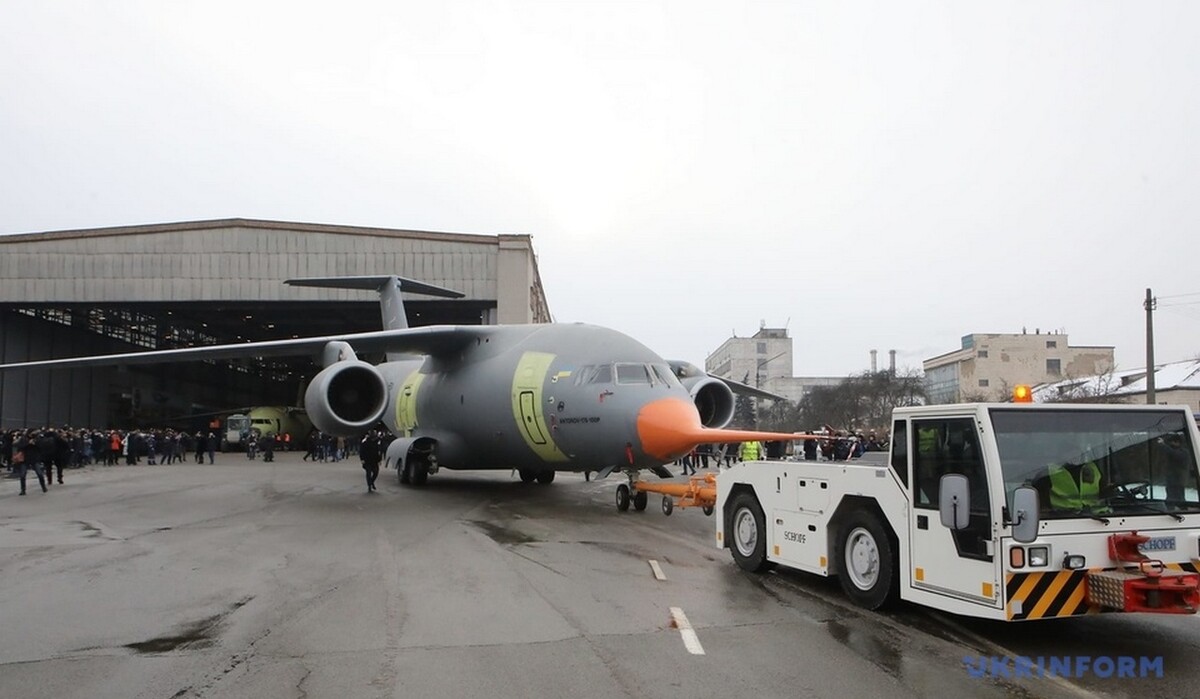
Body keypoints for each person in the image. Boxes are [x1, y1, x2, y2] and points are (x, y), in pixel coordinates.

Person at [16, 431, 47, 495]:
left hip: (34, 459)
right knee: (22, 475)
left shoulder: (37, 439)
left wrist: (35, 443)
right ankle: (23, 490)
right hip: (25, 459)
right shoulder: (23, 439)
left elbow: (41, 447)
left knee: (40, 474)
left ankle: (43, 487)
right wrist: (28, 443)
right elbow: (19, 447)